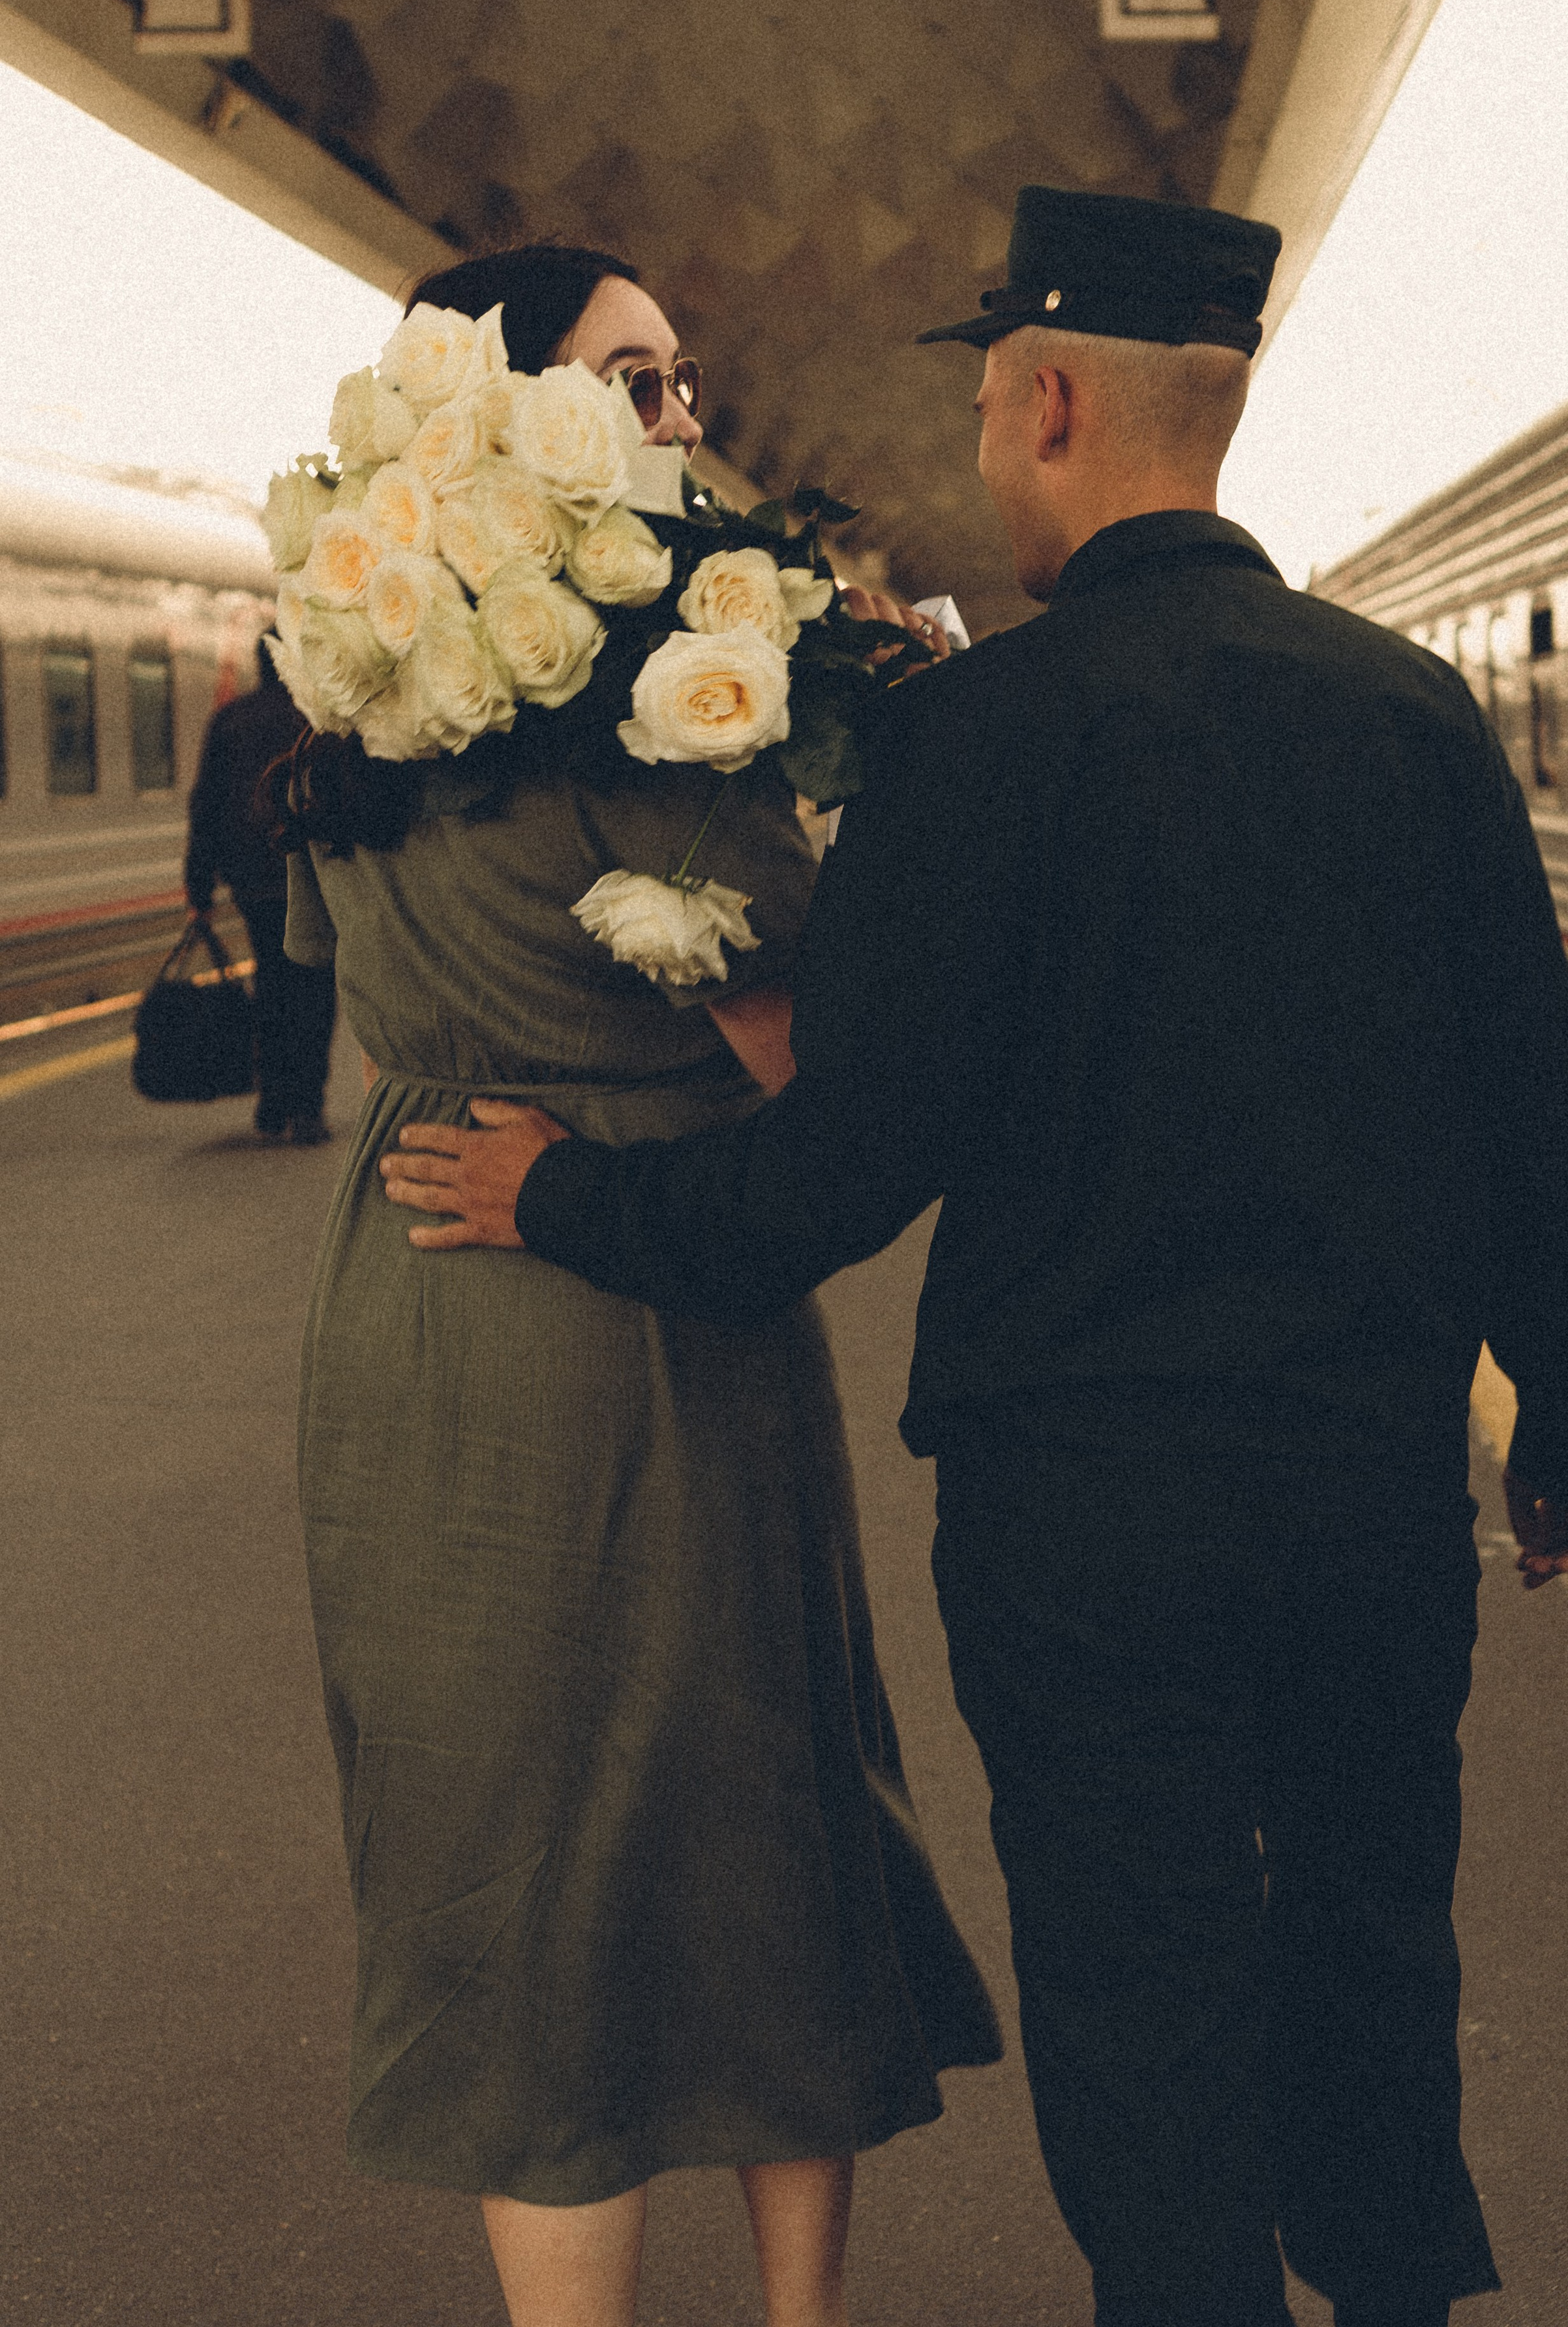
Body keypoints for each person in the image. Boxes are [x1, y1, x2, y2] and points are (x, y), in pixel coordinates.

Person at [380, 189, 1568, 2327]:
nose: (981, 447)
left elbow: (838, 1176)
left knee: (1138, 1995)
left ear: (1050, 401)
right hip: (1359, 1493)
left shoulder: (980, 748)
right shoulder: (1409, 719)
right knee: (1368, 1942)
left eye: (984, 406)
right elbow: (1527, 1115)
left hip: (1083, 1523)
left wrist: (566, 1196)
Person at [283, 239, 997, 2327]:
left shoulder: (352, 694)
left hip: (414, 1292)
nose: (687, 419)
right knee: (754, 1817)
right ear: (524, 425)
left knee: (501, 1856)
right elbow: (804, 1059)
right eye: (642, 384)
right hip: (655, 1300)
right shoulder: (686, 739)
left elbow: (360, 983)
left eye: (683, 382)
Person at [183, 639, 335, 1141]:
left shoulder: (231, 720)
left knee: (271, 981)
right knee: (313, 986)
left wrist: (199, 885)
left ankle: (274, 1104)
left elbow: (205, 803)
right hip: (314, 874)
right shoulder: (315, 717)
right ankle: (309, 1107)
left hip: (254, 880)